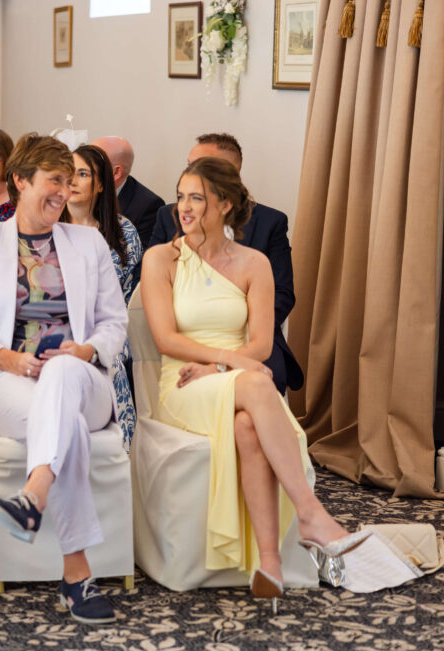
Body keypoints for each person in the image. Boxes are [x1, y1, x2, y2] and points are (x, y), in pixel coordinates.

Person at [139, 157, 370, 612]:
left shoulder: (254, 262)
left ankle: (270, 564)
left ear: (225, 203)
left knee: (248, 425)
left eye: (196, 198)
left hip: (230, 376)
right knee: (259, 385)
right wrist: (226, 362)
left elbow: (263, 345)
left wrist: (222, 368)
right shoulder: (161, 258)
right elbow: (167, 339)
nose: (183, 207)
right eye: (181, 196)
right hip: (184, 382)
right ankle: (311, 513)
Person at [0, 133, 128, 624]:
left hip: (83, 380)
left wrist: (85, 350)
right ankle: (77, 576)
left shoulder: (88, 243)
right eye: (54, 180)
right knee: (64, 424)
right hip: (1, 380)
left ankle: (33, 494)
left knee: (63, 373)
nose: (64, 191)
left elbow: (114, 323)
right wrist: (6, 358)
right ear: (21, 180)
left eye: (69, 181)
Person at [148, 133, 301, 394]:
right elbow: (150, 290)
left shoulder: (270, 224)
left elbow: (282, 294)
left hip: (252, 340)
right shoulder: (168, 218)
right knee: (255, 392)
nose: (191, 172)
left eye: (202, 166)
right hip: (187, 341)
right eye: (189, 165)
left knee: (257, 393)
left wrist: (238, 324)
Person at [61, 144, 142, 452]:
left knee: (111, 363)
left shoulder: (124, 232)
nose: (73, 181)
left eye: (83, 174)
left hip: (106, 336)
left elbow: (126, 300)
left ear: (100, 184)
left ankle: (113, 457)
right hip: (57, 330)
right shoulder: (49, 228)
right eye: (68, 173)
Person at [92, 136, 163, 249]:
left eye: (92, 163)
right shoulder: (77, 194)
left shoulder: (148, 207)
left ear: (116, 172)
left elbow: (142, 257)